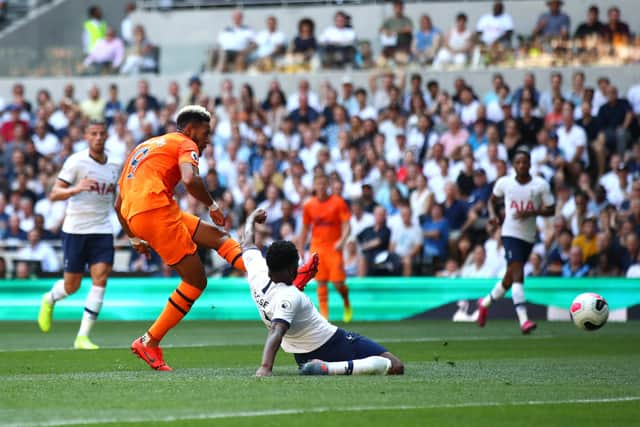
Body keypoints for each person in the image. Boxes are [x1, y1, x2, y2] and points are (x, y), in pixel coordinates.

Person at [117, 106, 316, 371]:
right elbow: (190, 180)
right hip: (156, 211)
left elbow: (119, 202)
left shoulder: (148, 145)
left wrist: (134, 238)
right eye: (206, 132)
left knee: (219, 237)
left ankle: (274, 276)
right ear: (191, 128)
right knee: (196, 281)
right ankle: (149, 341)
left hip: (144, 213)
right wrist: (213, 206)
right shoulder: (186, 143)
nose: (208, 139)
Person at [242, 208, 403, 377]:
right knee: (395, 365)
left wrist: (251, 218)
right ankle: (328, 368)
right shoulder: (290, 296)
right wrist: (265, 367)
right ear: (291, 269)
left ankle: (321, 366)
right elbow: (276, 330)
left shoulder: (256, 271)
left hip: (302, 354)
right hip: (330, 343)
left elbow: (247, 242)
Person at [37, 120, 119, 350]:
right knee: (71, 286)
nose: (98, 137)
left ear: (107, 136)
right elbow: (54, 194)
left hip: (102, 229)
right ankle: (49, 298)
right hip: (76, 230)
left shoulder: (114, 164)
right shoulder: (76, 162)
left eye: (102, 133)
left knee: (100, 279)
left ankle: (82, 337)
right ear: (86, 136)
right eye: (93, 133)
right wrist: (76, 188)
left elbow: (117, 198)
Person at [477, 147, 555, 334]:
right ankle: (524, 320)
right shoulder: (505, 183)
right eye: (518, 162)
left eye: (525, 162)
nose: (521, 165)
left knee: (509, 277)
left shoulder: (540, 185)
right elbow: (492, 201)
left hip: (528, 236)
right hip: (510, 233)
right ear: (513, 165)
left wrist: (531, 212)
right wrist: (495, 216)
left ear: (529, 164)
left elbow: (551, 209)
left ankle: (485, 303)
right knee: (518, 273)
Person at [298, 173, 352, 322]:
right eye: (318, 184)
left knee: (337, 283)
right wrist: (301, 248)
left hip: (334, 247)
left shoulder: (338, 202)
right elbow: (304, 228)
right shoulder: (309, 205)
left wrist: (342, 239)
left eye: (323, 184)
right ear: (314, 186)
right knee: (320, 281)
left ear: (327, 185)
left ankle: (346, 301)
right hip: (317, 247)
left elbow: (347, 225)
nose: (321, 187)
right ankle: (325, 316)